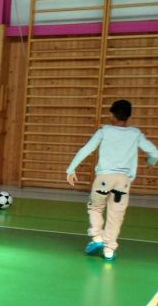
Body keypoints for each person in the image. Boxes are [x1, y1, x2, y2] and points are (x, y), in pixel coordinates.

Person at [67, 99, 157, 261]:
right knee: (116, 215)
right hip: (123, 182)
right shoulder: (135, 133)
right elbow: (155, 153)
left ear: (111, 114)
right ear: (129, 116)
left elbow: (86, 149)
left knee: (96, 207)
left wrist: (71, 169)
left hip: (104, 179)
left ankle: (97, 237)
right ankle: (109, 250)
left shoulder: (104, 131)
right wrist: (150, 162)